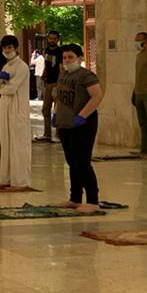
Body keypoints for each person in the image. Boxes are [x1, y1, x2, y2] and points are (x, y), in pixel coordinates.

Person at [52, 44, 104, 212]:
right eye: (65, 57)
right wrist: (55, 114)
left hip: (83, 124)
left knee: (82, 162)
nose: (67, 60)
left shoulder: (86, 75)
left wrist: (82, 115)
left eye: (71, 57)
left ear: (80, 58)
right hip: (65, 123)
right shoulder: (63, 74)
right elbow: (59, 97)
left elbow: (97, 96)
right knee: (72, 162)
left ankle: (93, 201)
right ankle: (75, 198)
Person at [0, 35, 32, 187]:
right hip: (4, 106)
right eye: (4, 48)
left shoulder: (22, 67)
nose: (7, 51)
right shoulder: (6, 66)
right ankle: (7, 178)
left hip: (18, 107)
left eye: (9, 47)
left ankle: (20, 180)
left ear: (15, 48)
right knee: (6, 142)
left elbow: (11, 89)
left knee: (18, 143)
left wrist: (3, 85)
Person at [38, 30, 62, 142]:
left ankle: (58, 135)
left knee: (57, 110)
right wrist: (43, 75)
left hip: (57, 83)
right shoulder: (46, 50)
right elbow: (47, 64)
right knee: (45, 109)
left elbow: (61, 68)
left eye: (54, 38)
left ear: (58, 39)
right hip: (48, 83)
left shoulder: (60, 52)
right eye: (50, 38)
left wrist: (60, 83)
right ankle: (47, 134)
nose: (52, 40)